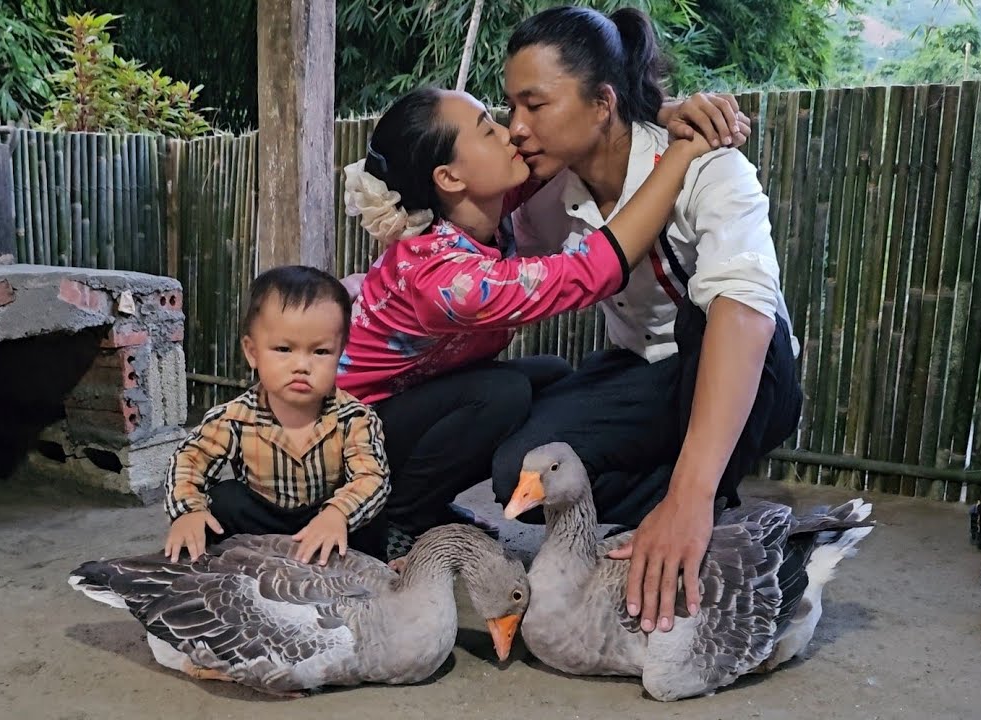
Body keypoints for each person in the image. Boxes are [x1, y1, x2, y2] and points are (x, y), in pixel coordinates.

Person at [492, 5, 804, 634]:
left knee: (714, 309)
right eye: (511, 107)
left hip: (746, 373)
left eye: (535, 105)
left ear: (603, 103)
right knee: (519, 473)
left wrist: (687, 498)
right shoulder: (548, 197)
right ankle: (688, 496)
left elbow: (747, 314)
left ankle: (695, 496)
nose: (516, 128)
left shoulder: (710, 164)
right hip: (640, 373)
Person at [335, 85, 742, 558]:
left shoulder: (480, 215)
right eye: (489, 130)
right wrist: (682, 152)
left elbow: (565, 146)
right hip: (348, 439)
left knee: (548, 376)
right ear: (449, 177)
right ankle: (397, 515)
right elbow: (594, 271)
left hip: (405, 409)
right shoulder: (446, 279)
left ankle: (422, 505)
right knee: (499, 397)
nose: (511, 133)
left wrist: (655, 111)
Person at [163, 265, 391, 565]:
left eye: (320, 352)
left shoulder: (355, 418)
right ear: (252, 352)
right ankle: (221, 574)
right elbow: (188, 461)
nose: (302, 365)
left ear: (340, 353)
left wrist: (338, 513)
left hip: (324, 520)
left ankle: (370, 583)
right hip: (261, 525)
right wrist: (187, 510)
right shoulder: (233, 417)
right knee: (224, 500)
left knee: (371, 513)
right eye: (284, 349)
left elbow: (371, 477)